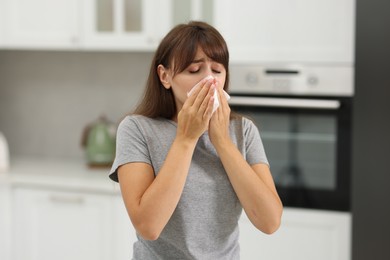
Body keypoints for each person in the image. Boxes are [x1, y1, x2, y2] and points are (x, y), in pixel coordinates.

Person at [109, 21, 283, 259]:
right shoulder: (137, 129)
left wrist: (222, 141)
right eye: (194, 70)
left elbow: (269, 221)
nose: (209, 80)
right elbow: (148, 226)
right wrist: (186, 138)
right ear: (165, 76)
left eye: (217, 70)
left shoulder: (244, 131)